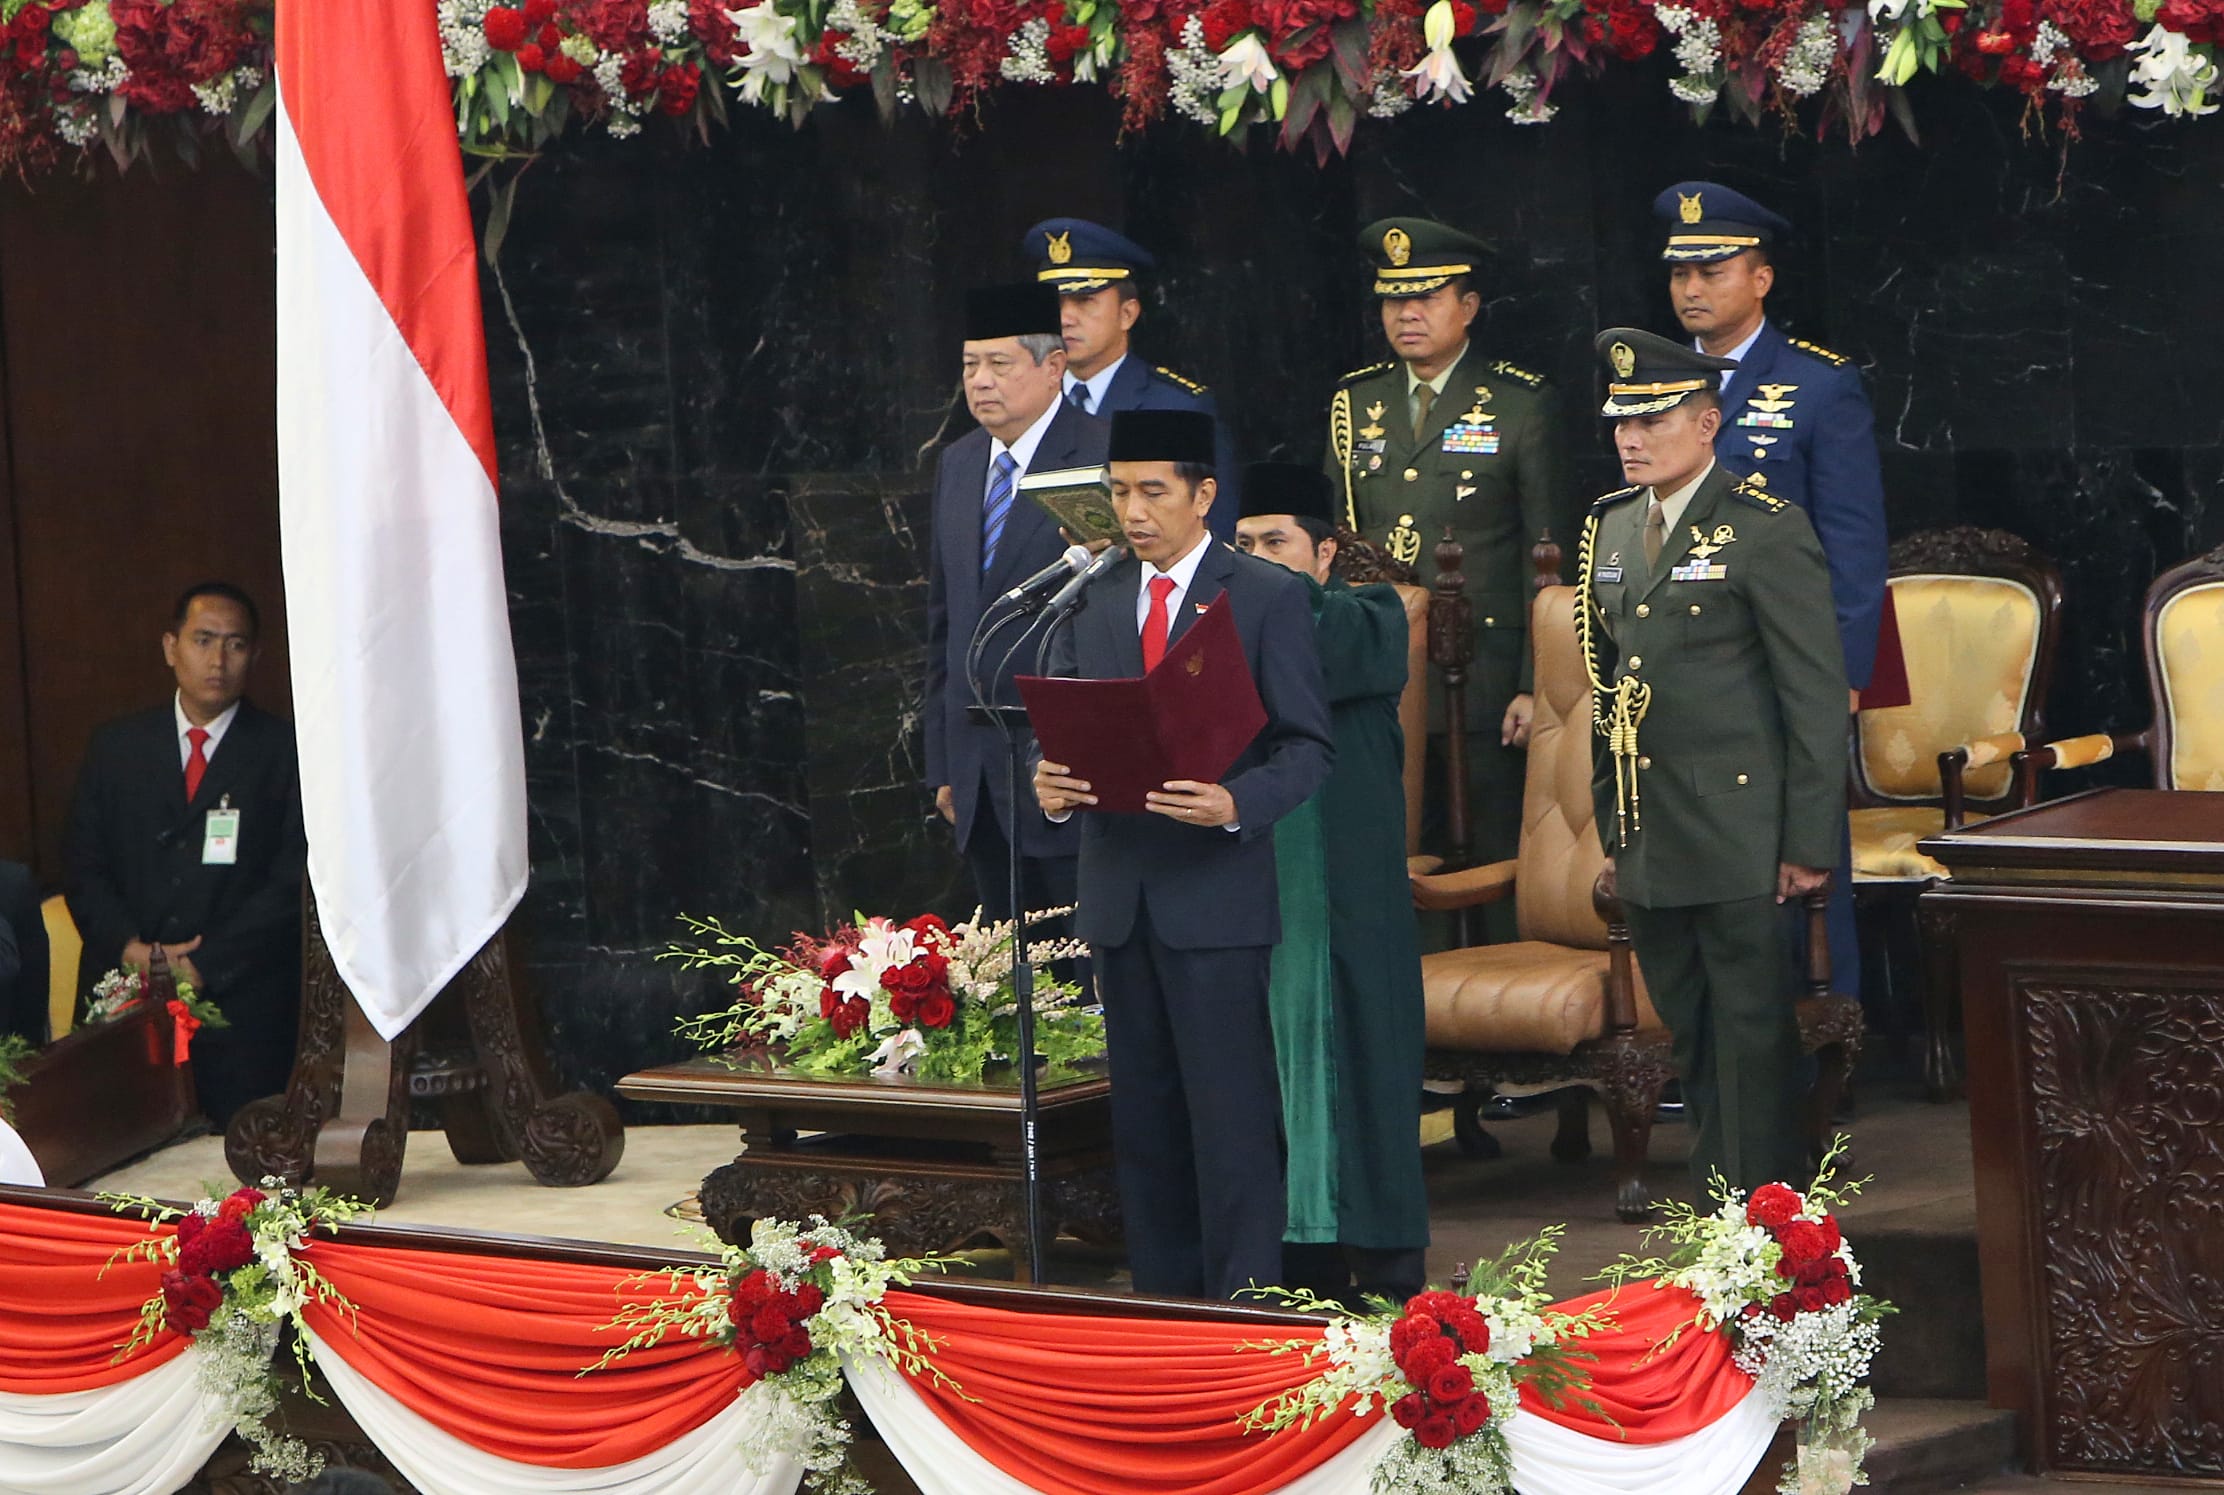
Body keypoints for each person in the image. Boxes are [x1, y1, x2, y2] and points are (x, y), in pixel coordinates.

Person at [1032, 410, 1333, 1301]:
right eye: (1119, 490)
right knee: (1146, 1119)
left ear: (1204, 495)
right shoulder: (1088, 594)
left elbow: (1309, 747)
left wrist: (1239, 801)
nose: (1132, 510)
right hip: (1120, 893)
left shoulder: (1265, 597)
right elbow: (1068, 720)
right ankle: (1160, 1304)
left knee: (1231, 1118)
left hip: (1216, 896)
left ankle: (1242, 1306)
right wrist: (1046, 782)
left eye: (1152, 490)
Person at [1581, 329, 1848, 1192]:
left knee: (1750, 1030)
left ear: (1707, 423)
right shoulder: (1613, 528)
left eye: (1651, 419)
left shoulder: (1764, 527)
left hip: (1738, 822)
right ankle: (1721, 1200)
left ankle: (1760, 1217)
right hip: (1649, 824)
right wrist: (1610, 813)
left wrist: (1807, 839)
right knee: (1691, 1028)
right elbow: (1607, 681)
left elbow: (1811, 694)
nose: (1630, 436)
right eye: (1621, 420)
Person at [1655, 180, 1891, 1001]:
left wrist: (1849, 674)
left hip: (1790, 667)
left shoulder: (1819, 384)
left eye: (1713, 271)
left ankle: (1829, 1048)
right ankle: (1725, 1053)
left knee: (1806, 862)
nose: (1692, 288)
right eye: (1681, 273)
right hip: (1691, 665)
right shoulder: (1656, 389)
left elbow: (1853, 544)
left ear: (1760, 279)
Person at [1322, 217, 1570, 904]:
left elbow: (1546, 557)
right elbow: (1343, 544)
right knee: (1391, 854)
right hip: (1384, 673)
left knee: (1488, 851)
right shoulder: (1355, 401)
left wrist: (1535, 683)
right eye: (1394, 300)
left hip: (1486, 679)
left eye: (1426, 298)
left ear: (1467, 306)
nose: (1407, 314)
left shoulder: (1522, 403)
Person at [1233, 461, 1429, 1304]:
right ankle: (1290, 1272)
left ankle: (1386, 1279)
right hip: (1253, 905)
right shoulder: (1220, 631)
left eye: (1276, 543)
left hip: (1352, 907)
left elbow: (1315, 640)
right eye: (1240, 546)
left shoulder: (1372, 615)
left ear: (1325, 554)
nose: (1258, 560)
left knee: (1364, 1067)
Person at [62, 582, 305, 1127]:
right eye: (203, 640)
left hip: (243, 1010)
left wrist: (204, 965)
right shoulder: (116, 747)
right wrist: (131, 950)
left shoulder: (285, 752)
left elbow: (293, 879)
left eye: (235, 644)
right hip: (124, 1001)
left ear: (255, 656)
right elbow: (82, 865)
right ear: (171, 647)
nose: (218, 659)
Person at [924, 283, 1110, 922]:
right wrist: (943, 764)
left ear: (1054, 366)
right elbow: (945, 621)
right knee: (1013, 990)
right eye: (971, 364)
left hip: (1066, 767)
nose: (980, 382)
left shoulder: (1105, 454)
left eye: (1000, 365)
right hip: (977, 773)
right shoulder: (959, 462)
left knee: (1088, 984)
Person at [1023, 217, 1240, 533]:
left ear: (1127, 313)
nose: (1066, 318)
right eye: (1055, 303)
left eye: (1084, 301)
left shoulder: (1176, 407)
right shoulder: (1030, 403)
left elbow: (1215, 531)